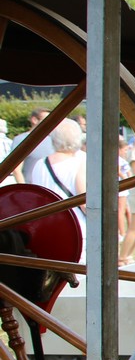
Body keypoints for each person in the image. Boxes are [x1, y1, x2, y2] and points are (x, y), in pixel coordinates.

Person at [30, 118, 87, 254]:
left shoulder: (40, 163)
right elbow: (85, 202)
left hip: (45, 226)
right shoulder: (81, 162)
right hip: (74, 227)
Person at [17, 107, 53, 183]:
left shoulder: (53, 139)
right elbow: (17, 170)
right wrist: (24, 188)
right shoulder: (22, 139)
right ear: (34, 120)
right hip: (31, 186)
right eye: (46, 119)